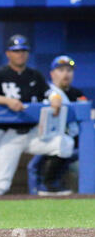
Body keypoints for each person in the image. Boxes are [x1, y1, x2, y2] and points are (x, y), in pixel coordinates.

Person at [0, 35, 74, 195]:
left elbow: (50, 92)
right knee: (0, 185)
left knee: (64, 144)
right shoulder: (0, 74)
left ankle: (48, 185)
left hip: (32, 133)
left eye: (23, 50)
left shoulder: (34, 75)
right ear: (8, 53)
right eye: (16, 51)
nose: (20, 54)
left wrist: (55, 98)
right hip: (8, 134)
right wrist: (7, 101)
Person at [27, 55, 87, 196]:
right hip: (48, 142)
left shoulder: (77, 94)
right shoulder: (45, 92)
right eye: (61, 70)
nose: (66, 74)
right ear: (52, 73)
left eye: (69, 70)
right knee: (36, 166)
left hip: (75, 146)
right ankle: (46, 188)